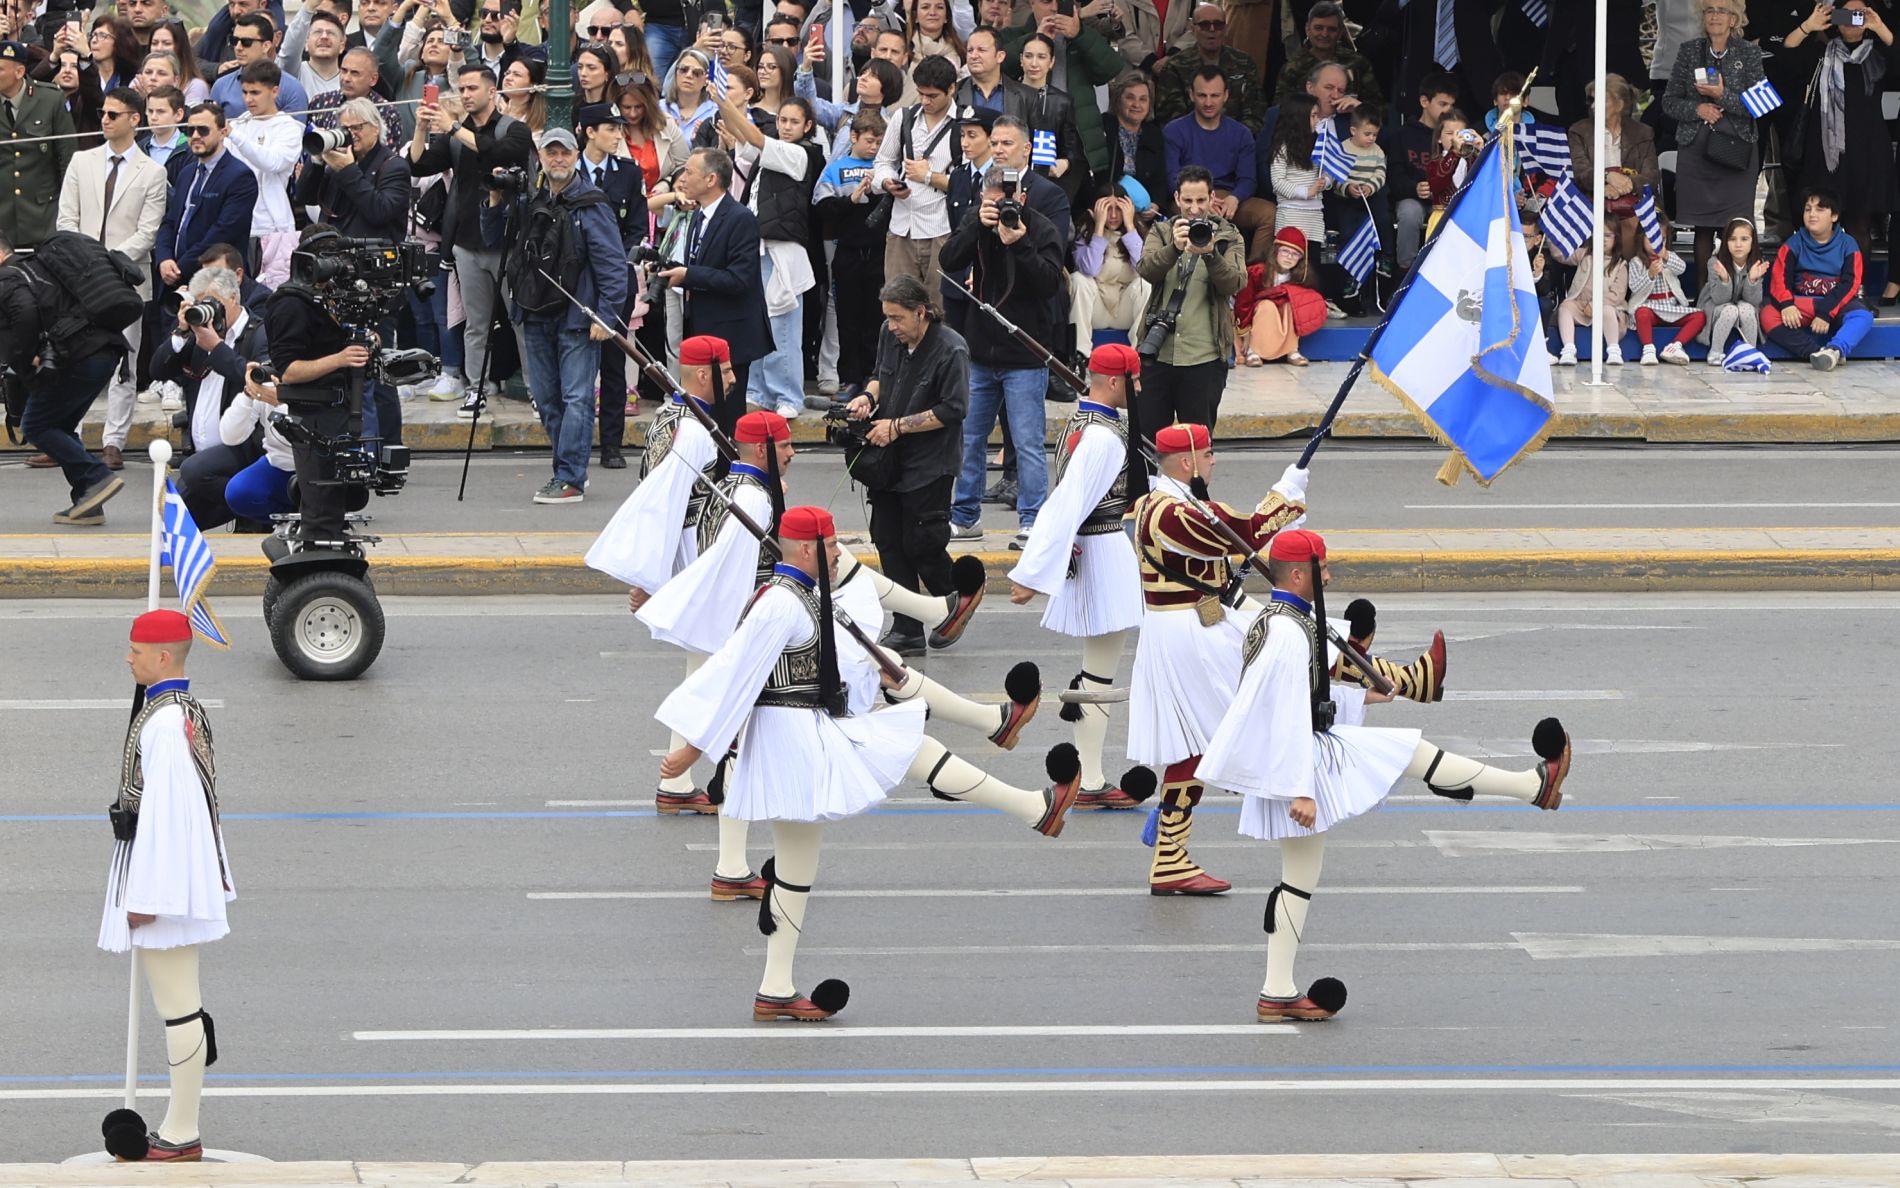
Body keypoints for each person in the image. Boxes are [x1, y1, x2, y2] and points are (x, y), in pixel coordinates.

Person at [655, 505, 1080, 1021]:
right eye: (833, 545)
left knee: (798, 866)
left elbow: (821, 665)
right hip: (792, 740)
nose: (841, 553)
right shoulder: (780, 604)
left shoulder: (804, 595)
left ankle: (775, 988)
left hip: (802, 732)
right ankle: (1032, 808)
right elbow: (735, 675)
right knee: (902, 753)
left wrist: (879, 675)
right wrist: (693, 749)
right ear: (808, 549)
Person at [1199, 528, 1572, 1021]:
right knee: (1408, 752)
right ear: (1298, 575)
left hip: (1293, 759)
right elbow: (1285, 714)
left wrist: (1360, 698)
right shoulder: (1287, 633)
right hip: (1298, 763)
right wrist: (1299, 790)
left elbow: (1298, 700)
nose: (1329, 576)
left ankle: (1277, 991)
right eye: (1322, 568)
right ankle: (1532, 787)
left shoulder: (1280, 620)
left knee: (1300, 877)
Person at [1126, 423, 1305, 894]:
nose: (1213, 460)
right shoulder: (1170, 512)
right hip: (1187, 633)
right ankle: (1169, 853)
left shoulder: (1169, 501)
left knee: (1200, 742)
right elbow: (1242, 533)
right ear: (1186, 462)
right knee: (1274, 675)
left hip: (1190, 626)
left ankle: (1169, 851)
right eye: (1207, 454)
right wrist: (1285, 494)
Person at [98, 610, 234, 1163]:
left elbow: (168, 816)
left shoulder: (164, 722)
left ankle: (181, 1134)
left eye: (135, 651)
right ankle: (180, 1128)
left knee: (179, 1008)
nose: (127, 658)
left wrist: (147, 898)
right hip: (170, 875)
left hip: (166, 880)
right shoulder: (175, 709)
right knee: (180, 1004)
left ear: (161, 657)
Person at [636, 408, 795, 885]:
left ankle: (732, 865)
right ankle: (731, 868)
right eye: (786, 445)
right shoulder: (755, 500)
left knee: (742, 750)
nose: (793, 452)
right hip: (750, 631)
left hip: (745, 629)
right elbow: (730, 568)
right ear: (763, 450)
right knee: (740, 751)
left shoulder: (737, 488)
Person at [588, 333, 737, 807]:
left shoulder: (675, 416)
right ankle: (702, 779)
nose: (733, 378)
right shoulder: (692, 430)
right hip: (697, 560)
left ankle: (678, 782)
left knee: (703, 670)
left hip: (695, 560)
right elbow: (662, 506)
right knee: (715, 671)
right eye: (726, 370)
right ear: (702, 375)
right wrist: (653, 582)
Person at [1008, 343, 1147, 809]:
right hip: (1102, 551)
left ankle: (1090, 773)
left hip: (1096, 547)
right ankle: (1089, 781)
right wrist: (1032, 572)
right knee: (1100, 674)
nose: (1140, 388)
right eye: (1134, 379)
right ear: (1115, 382)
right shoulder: (1104, 437)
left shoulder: (1082, 422)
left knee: (1097, 671)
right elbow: (1066, 504)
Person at [481, 125, 625, 504]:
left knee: (577, 398)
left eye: (565, 153)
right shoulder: (529, 199)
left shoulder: (591, 203)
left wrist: (605, 316)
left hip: (577, 317)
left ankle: (569, 477)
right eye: (551, 152)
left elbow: (613, 265)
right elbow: (494, 239)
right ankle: (568, 469)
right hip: (534, 312)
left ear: (576, 156)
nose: (558, 159)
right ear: (541, 157)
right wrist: (494, 198)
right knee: (546, 400)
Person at [941, 157, 1066, 549]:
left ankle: (1032, 521)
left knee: (1028, 443)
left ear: (1022, 198)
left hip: (1025, 356)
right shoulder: (978, 222)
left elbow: (1050, 285)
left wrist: (1020, 244)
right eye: (992, 202)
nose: (1001, 210)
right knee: (970, 438)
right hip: (981, 353)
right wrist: (978, 226)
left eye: (1006, 202)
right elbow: (948, 261)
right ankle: (964, 517)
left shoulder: (1041, 229)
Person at [842, 274, 968, 654]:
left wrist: (897, 427)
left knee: (922, 542)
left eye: (898, 318)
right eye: (888, 317)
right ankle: (907, 627)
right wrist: (867, 397)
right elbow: (879, 376)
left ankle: (958, 596)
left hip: (931, 462)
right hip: (888, 459)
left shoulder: (951, 349)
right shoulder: (888, 335)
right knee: (888, 540)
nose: (892, 325)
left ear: (921, 312)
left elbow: (953, 409)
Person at [408, 63, 533, 415]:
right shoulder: (456, 136)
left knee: (520, 322)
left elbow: (497, 153)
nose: (465, 94)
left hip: (508, 241)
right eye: (461, 89)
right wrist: (421, 128)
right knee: (475, 325)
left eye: (472, 88)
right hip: (466, 242)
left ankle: (536, 389)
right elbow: (417, 165)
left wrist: (451, 127)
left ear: (492, 92)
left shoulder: (514, 129)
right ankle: (476, 389)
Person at [56, 85, 166, 473]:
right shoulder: (81, 161)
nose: (104, 119)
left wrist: (108, 263)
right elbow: (66, 219)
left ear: (134, 120)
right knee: (74, 357)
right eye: (103, 113)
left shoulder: (153, 172)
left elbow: (147, 232)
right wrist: (84, 263)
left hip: (126, 280)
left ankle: (113, 441)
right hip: (79, 278)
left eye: (113, 114)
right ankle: (66, 436)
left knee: (125, 363)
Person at [0, 228, 121, 524]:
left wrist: (26, 361)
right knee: (60, 426)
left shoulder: (7, 277)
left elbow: (25, 313)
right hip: (103, 352)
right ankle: (88, 501)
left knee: (36, 425)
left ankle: (96, 476)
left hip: (80, 358)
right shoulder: (37, 270)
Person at [649, 147, 771, 437]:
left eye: (689, 172)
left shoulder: (740, 218)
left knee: (727, 420)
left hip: (732, 336)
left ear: (711, 179)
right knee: (706, 418)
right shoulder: (697, 216)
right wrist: (670, 270)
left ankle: (729, 465)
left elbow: (740, 278)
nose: (682, 178)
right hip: (703, 331)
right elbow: (701, 263)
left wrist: (689, 275)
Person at [717, 89, 823, 421]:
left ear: (807, 126)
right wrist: (724, 108)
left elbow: (753, 137)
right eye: (782, 120)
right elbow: (742, 136)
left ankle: (787, 394)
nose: (786, 126)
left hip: (783, 251)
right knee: (755, 324)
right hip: (756, 247)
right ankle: (758, 391)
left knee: (782, 326)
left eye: (794, 122)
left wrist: (723, 101)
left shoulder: (801, 154)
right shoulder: (769, 152)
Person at [265, 222, 370, 542]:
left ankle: (330, 546)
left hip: (339, 411)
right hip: (312, 415)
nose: (337, 264)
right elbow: (288, 371)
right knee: (321, 502)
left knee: (337, 497)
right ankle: (316, 552)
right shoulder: (290, 303)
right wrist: (340, 359)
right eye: (329, 256)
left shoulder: (333, 296)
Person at [1132, 165, 1245, 444]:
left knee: (1196, 448)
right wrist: (1174, 248)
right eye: (1188, 201)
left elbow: (1234, 283)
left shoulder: (1229, 236)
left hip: (1203, 358)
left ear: (1212, 198)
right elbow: (1146, 270)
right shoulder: (1162, 231)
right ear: (1177, 198)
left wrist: (1211, 255)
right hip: (1158, 355)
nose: (1194, 209)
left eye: (1201, 200)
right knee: (1146, 444)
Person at [1658, 0, 1765, 280]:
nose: (1714, 16)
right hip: (1696, 149)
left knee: (1737, 228)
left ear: (1734, 19)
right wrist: (1697, 109)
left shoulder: (1749, 52)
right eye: (1709, 11)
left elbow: (1761, 105)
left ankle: (1738, 290)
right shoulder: (1689, 51)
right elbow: (1669, 102)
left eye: (1721, 11)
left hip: (1736, 151)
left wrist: (1721, 96)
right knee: (1702, 228)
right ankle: (1704, 293)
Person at [160, 267, 273, 527]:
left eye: (214, 303)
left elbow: (256, 379)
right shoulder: (199, 332)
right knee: (171, 526)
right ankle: (251, 510)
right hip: (204, 456)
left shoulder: (259, 333)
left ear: (233, 298)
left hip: (244, 448)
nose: (209, 311)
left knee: (195, 472)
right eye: (202, 304)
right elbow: (158, 370)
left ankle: (259, 510)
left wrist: (216, 347)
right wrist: (181, 333)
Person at [1784, 1, 1896, 261]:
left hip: (1866, 153)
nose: (1852, 19)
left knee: (1859, 226)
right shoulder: (1821, 53)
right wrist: (1808, 26)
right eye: (1845, 13)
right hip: (1825, 155)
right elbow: (1786, 55)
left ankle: (1857, 285)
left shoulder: (1878, 53)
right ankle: (1821, 281)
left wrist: (1880, 28)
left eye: (1859, 14)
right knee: (1821, 225)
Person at [572, 102, 647, 470]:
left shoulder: (628, 173)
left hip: (616, 279)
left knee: (614, 364)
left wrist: (615, 261)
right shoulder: (570, 171)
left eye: (619, 128)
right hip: (577, 279)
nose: (618, 135)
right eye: (611, 128)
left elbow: (638, 226)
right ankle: (575, 442)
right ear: (590, 132)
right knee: (575, 364)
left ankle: (611, 444)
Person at [871, 53, 961, 298]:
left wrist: (929, 176)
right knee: (898, 305)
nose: (925, 101)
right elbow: (883, 162)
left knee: (940, 307)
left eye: (932, 95)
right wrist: (887, 182)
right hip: (901, 227)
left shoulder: (963, 124)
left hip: (942, 228)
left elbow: (970, 183)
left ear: (951, 89)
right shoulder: (904, 117)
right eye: (921, 93)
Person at [814, 110, 888, 390]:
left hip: (879, 251)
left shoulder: (885, 168)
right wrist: (851, 200)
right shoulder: (835, 169)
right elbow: (822, 208)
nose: (874, 147)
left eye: (879, 142)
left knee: (876, 317)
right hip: (846, 251)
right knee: (847, 319)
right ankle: (849, 379)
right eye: (869, 141)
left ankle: (873, 379)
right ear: (853, 137)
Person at [1763, 188, 1872, 371]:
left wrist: (1825, 313)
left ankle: (1835, 349)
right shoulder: (1793, 243)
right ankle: (1816, 352)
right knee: (1767, 314)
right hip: (1802, 304)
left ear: (1834, 216)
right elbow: (1779, 279)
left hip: (1836, 306)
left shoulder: (1848, 244)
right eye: (1808, 209)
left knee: (1863, 316)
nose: (1812, 214)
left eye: (1820, 209)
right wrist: (1787, 305)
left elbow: (1850, 284)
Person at [1163, 67, 1265, 262]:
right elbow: (1172, 178)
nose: (1208, 102)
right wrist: (1200, 201)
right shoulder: (1174, 131)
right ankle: (1196, 272)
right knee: (1192, 213)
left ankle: (1253, 272)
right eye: (1202, 95)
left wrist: (1235, 198)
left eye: (1215, 95)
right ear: (1191, 95)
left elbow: (1248, 179)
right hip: (1189, 197)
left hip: (1227, 198)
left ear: (1225, 95)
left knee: (1268, 214)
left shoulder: (1241, 133)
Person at [224, 60, 302, 287]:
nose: (248, 99)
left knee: (270, 294)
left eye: (255, 93)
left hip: (272, 228)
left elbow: (273, 162)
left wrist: (235, 136)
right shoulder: (238, 124)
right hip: (237, 225)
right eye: (245, 92)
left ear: (274, 91)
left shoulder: (288, 128)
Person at [0, 38, 77, 248]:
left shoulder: (50, 100)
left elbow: (67, 158)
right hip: (3, 220)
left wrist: (68, 211)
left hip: (43, 216)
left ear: (19, 72)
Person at [1153, 3, 1265, 128]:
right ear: (1193, 29)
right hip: (1189, 138)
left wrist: (1234, 137)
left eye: (1218, 25)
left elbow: (1255, 111)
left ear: (1225, 29)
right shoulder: (1175, 66)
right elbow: (1170, 117)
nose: (1212, 29)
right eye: (1204, 25)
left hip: (1236, 137)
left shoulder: (1244, 63)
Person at [1069, 184, 1150, 354]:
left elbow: (1145, 268)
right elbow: (1090, 269)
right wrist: (1098, 228)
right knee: (1078, 279)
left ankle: (1138, 355)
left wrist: (1130, 225)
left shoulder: (1137, 233)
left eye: (1118, 209)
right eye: (1107, 209)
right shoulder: (1084, 233)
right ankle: (1080, 355)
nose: (1113, 215)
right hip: (1096, 309)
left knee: (1145, 284)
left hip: (1124, 310)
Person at [1392, 71, 1457, 273]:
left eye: (1451, 105)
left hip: (1446, 199)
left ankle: (1446, 271)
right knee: (1409, 213)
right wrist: (1415, 188)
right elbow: (1394, 177)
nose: (1448, 110)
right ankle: (1407, 273)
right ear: (1424, 101)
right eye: (1442, 104)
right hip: (1413, 198)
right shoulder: (1402, 135)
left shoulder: (1456, 135)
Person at [1237, 226, 1325, 367]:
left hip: (1283, 315)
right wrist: (1244, 332)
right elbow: (1244, 303)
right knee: (1267, 306)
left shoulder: (1300, 277)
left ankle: (1292, 350)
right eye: (1285, 251)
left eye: (1295, 254)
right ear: (1275, 251)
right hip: (1259, 315)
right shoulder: (1257, 272)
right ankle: (1253, 351)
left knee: (1292, 305)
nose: (1289, 257)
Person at [1567, 73, 1659, 205]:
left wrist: (1626, 185)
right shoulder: (1579, 131)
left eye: (1601, 100)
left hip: (1635, 202)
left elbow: (1652, 175)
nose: (1593, 106)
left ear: (1619, 104)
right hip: (1591, 202)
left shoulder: (1643, 133)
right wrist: (1607, 178)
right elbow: (1580, 172)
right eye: (1592, 100)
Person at [1015, 32, 1086, 201]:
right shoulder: (1007, 94)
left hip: (1045, 182)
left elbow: (1072, 148)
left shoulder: (1062, 102)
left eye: (1041, 57)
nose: (1034, 63)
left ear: (1052, 62)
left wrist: (1066, 163)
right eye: (1028, 56)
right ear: (1021, 59)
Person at [1275, 1, 1381, 112]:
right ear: (1308, 29)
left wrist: (1359, 108)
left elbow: (1380, 109)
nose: (1324, 34)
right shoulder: (1293, 67)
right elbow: (1279, 110)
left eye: (1331, 29)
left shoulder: (1357, 63)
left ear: (1340, 32)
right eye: (1318, 28)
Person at [1628, 215, 1704, 366]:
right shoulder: (1636, 262)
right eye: (1651, 240)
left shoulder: (1669, 258)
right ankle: (1648, 349)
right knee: (1641, 313)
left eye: (1661, 240)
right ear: (1641, 239)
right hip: (1651, 308)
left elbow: (1682, 268)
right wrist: (1650, 274)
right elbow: (1634, 287)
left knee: (1700, 316)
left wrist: (1665, 255)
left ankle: (1675, 346)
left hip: (1672, 307)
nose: (1656, 245)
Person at [1554, 224, 1631, 367]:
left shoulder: (1620, 264)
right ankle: (1569, 349)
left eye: (1608, 235)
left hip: (1608, 309)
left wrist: (1595, 305)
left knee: (1607, 310)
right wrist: (1551, 235)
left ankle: (1613, 349)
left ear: (1616, 238)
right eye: (1599, 234)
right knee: (1565, 307)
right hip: (1582, 306)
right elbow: (1561, 254)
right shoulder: (1585, 255)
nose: (1603, 239)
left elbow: (1617, 295)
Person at [210, 14, 309, 123]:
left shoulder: (292, 89)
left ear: (266, 46)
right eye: (234, 40)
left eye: (246, 42)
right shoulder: (221, 86)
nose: (238, 47)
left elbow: (294, 131)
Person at [1696, 215, 1767, 366]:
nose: (1738, 244)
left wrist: (1752, 280)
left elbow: (1754, 301)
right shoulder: (1715, 262)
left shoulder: (1756, 264)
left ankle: (1750, 352)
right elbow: (1719, 299)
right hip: (1715, 305)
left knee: (1747, 308)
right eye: (1732, 239)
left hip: (1742, 303)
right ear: (1725, 242)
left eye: (1744, 239)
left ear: (1753, 241)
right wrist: (1724, 280)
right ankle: (1715, 351)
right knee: (1731, 310)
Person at [305, 48, 406, 146]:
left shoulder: (387, 113)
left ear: (373, 79)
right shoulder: (320, 103)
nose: (346, 78)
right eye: (344, 71)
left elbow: (388, 155)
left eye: (355, 73)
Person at [1103, 71, 1166, 215]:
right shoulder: (1103, 127)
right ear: (1118, 99)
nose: (1136, 104)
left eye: (1143, 99)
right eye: (1130, 98)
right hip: (1108, 207)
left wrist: (1156, 204)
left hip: (1141, 211)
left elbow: (1160, 179)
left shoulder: (1154, 135)